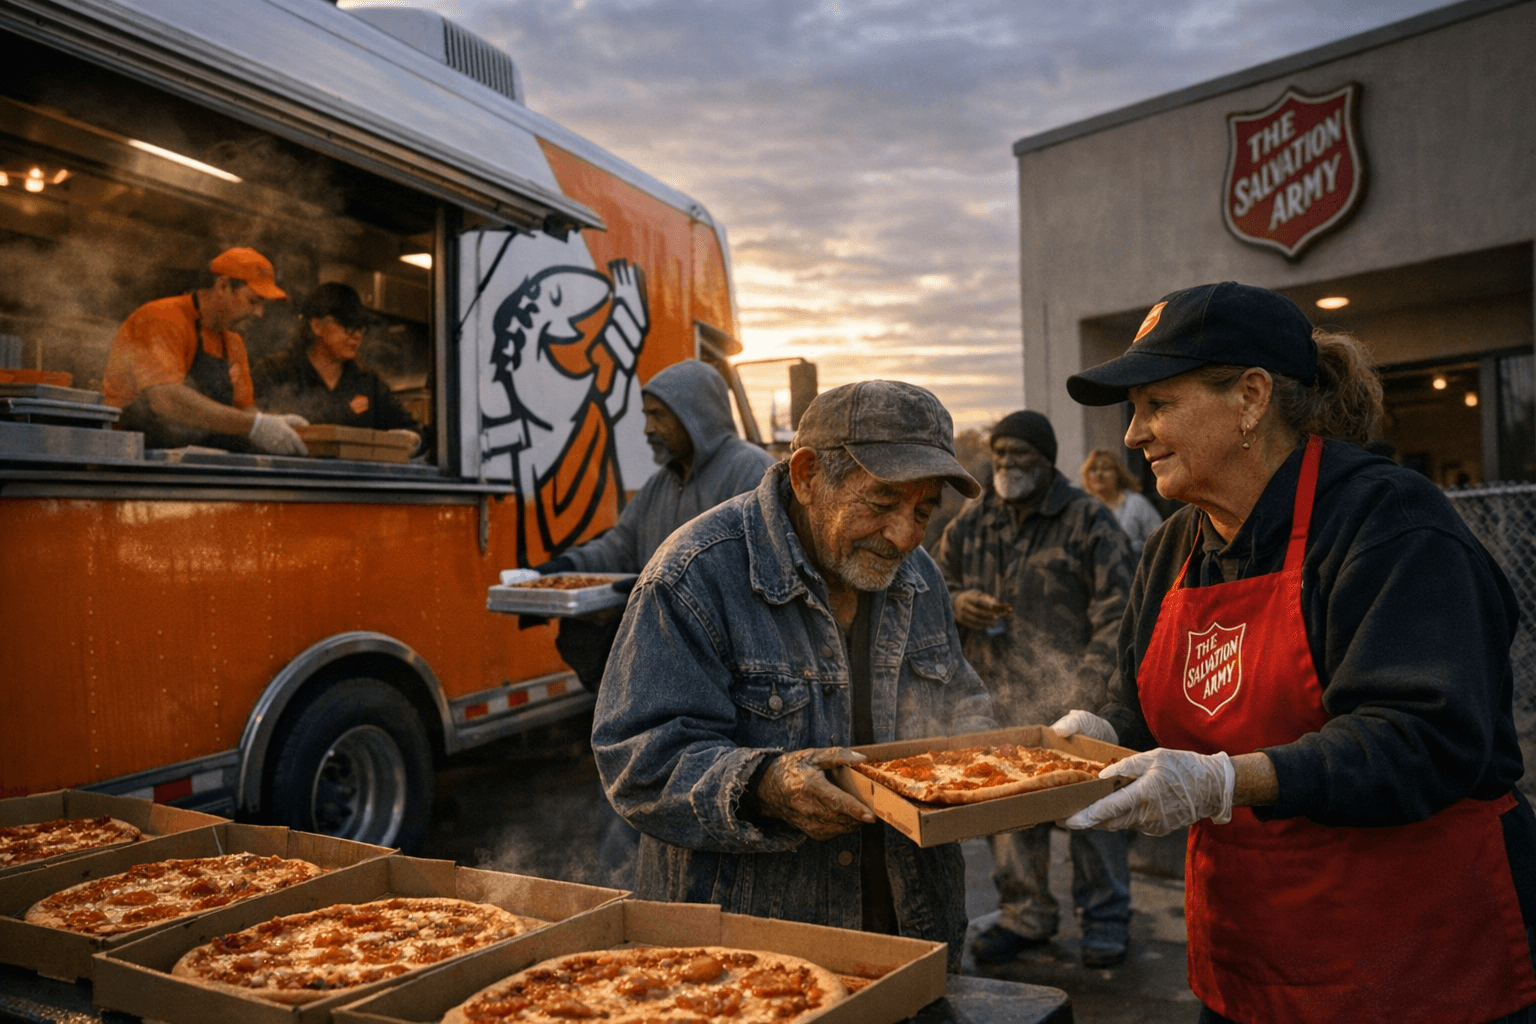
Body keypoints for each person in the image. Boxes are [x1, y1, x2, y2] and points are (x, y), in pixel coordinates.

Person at [1055, 281, 1536, 1023]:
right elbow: (1139, 698)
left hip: (1415, 962)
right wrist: (1103, 733)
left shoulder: (1390, 522)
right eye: (1134, 410)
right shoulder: (1174, 544)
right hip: (1251, 958)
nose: (1133, 434)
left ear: (1250, 398)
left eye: (1158, 405)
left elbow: (1425, 739)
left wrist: (1224, 783)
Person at [591, 380, 995, 968]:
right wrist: (765, 786)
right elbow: (638, 761)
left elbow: (961, 696)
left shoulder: (920, 575)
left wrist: (987, 756)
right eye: (882, 504)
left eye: (923, 511)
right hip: (754, 954)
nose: (905, 534)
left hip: (913, 930)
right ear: (807, 477)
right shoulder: (694, 575)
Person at [935, 411, 1136, 969]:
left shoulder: (1088, 521)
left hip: (1079, 705)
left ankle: (1105, 922)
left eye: (1020, 454)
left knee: (1096, 818)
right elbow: (930, 583)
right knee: (1012, 817)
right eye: (1000, 454)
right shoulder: (973, 522)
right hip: (999, 700)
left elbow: (1120, 615)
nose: (1007, 464)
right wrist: (957, 603)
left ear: (1047, 461)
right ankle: (1027, 917)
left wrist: (1091, 695)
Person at [529, 358, 777, 689]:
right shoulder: (660, 483)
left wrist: (635, 591)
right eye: (647, 416)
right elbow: (619, 546)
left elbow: (750, 575)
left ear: (695, 416)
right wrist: (557, 570)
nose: (647, 429)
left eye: (658, 416)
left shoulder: (750, 472)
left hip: (730, 673)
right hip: (665, 659)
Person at [103, 247, 306, 455]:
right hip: (131, 455)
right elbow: (166, 400)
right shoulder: (163, 318)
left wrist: (270, 425)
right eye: (253, 301)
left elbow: (243, 409)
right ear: (223, 286)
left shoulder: (234, 343)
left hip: (193, 462)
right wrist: (255, 424)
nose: (259, 313)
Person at [252, 282, 426, 454]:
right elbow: (245, 430)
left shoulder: (367, 382)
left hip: (352, 479)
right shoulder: (274, 371)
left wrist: (412, 439)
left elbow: (413, 430)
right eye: (347, 326)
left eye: (360, 328)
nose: (356, 336)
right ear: (317, 326)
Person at [1081, 447, 1164, 554]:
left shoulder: (1136, 503)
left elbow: (1161, 541)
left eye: (1105, 468)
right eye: (1093, 469)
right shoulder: (1083, 508)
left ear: (1118, 473)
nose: (1099, 474)